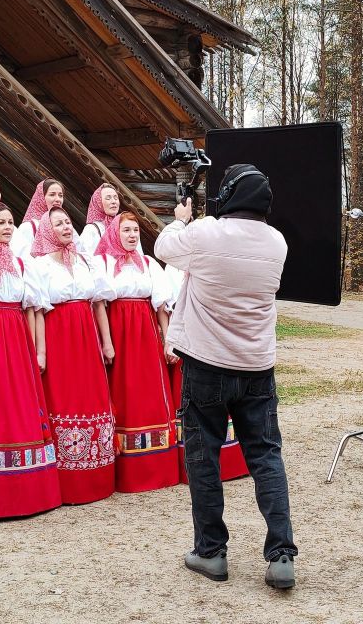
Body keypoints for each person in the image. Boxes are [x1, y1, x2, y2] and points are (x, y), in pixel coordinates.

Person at [154, 164, 297, 589]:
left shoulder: (205, 233)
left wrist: (182, 218)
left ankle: (211, 552)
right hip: (256, 366)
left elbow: (164, 246)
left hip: (206, 364)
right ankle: (282, 555)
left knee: (204, 458)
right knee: (267, 457)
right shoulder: (278, 243)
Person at [0, 204, 62, 518]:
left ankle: (29, 486)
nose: (6, 227)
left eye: (10, 222)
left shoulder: (21, 263)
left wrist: (34, 350)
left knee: (21, 405)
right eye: (0, 222)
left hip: (16, 337)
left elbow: (31, 308)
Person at [29, 207, 116, 504]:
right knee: (64, 397)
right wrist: (39, 349)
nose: (66, 227)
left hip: (86, 334)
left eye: (67, 222)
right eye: (58, 224)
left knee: (91, 396)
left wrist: (106, 342)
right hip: (58, 335)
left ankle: (97, 476)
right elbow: (36, 310)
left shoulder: (84, 261)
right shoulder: (39, 265)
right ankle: (67, 479)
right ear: (46, 230)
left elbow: (98, 303)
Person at [94, 213, 179, 493]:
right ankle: (128, 470)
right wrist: (107, 342)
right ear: (114, 234)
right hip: (120, 331)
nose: (132, 235)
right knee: (124, 393)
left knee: (151, 393)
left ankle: (159, 468)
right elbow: (101, 307)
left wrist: (168, 342)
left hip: (145, 334)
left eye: (135, 231)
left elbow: (161, 308)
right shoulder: (103, 264)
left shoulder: (149, 264)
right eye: (126, 230)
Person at [163, 264, 249, 485]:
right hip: (189, 338)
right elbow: (169, 307)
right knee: (196, 404)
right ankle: (195, 465)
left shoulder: (214, 263)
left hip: (214, 337)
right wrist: (172, 340)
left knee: (220, 398)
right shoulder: (172, 270)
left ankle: (228, 462)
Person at [13, 178, 79, 258]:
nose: (58, 199)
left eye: (60, 195)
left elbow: (79, 253)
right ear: (41, 198)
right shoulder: (28, 227)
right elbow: (22, 258)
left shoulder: (67, 227)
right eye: (52, 194)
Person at [79, 183, 120, 255]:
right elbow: (84, 257)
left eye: (116, 198)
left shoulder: (123, 226)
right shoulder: (91, 229)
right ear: (98, 202)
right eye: (108, 198)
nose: (114, 201)